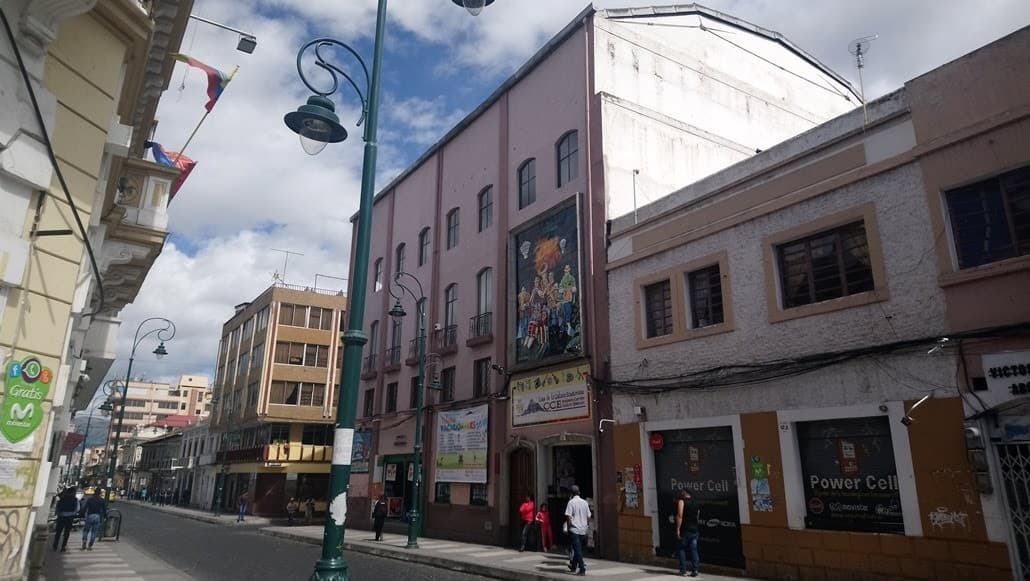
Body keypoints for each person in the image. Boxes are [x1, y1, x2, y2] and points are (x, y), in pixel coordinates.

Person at [564, 485, 590, 576]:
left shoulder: (571, 502)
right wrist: (586, 526)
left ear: (571, 493)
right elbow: (588, 516)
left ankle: (582, 569)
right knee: (577, 548)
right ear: (578, 492)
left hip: (574, 529)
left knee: (577, 550)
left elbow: (568, 516)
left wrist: (568, 527)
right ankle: (574, 566)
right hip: (583, 529)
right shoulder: (585, 502)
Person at [675, 489, 701, 577]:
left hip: (685, 529)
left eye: (682, 492)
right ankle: (695, 570)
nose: (681, 493)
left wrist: (678, 529)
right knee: (694, 549)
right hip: (695, 530)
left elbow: (680, 515)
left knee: (681, 548)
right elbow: (698, 516)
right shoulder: (696, 502)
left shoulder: (682, 502)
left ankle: (683, 570)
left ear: (685, 493)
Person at [52, 488, 79, 552]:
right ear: (73, 493)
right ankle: (63, 547)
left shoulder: (62, 498)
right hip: (69, 517)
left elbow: (57, 507)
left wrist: (58, 513)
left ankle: (55, 545)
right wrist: (73, 513)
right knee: (66, 533)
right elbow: (77, 509)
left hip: (61, 516)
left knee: (58, 532)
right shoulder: (75, 500)